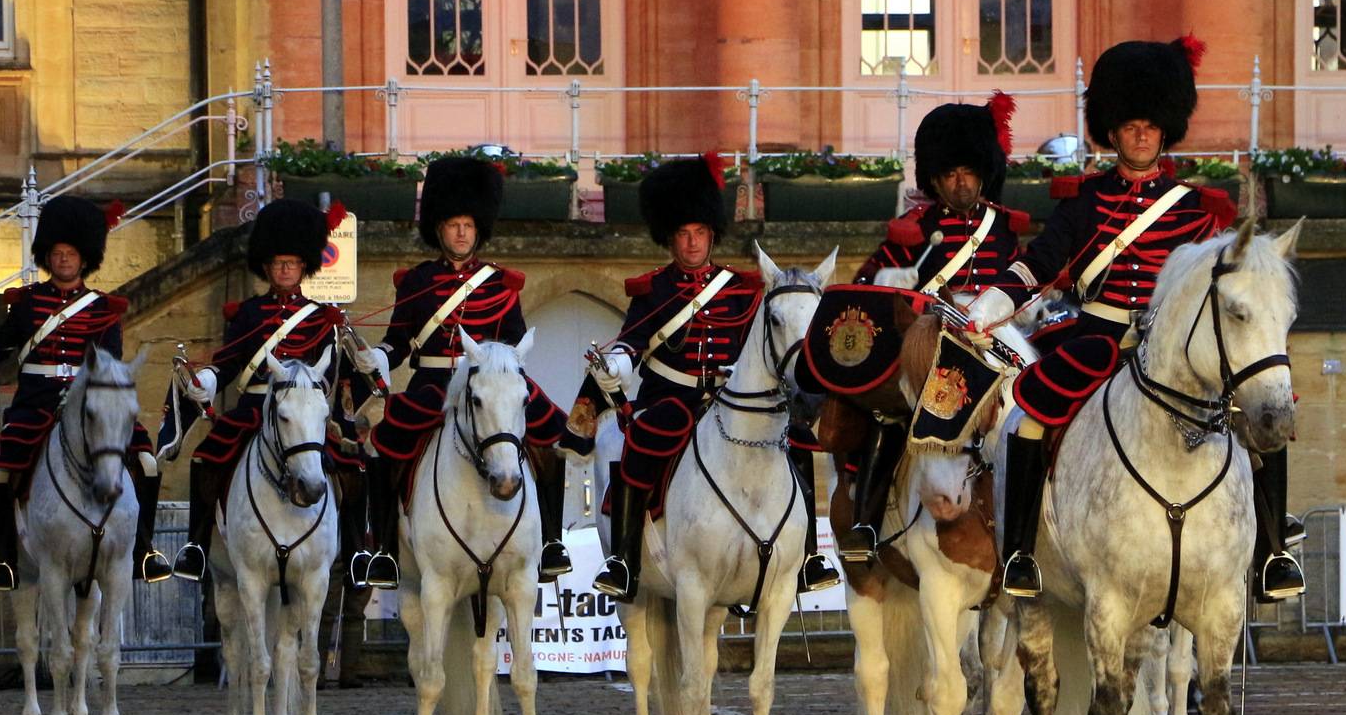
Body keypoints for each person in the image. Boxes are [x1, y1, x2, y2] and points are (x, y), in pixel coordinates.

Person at [966, 36, 1304, 602]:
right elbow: (1040, 264)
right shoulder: (1083, 202)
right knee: (1030, 413)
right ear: (1112, 132)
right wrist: (994, 303)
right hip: (1096, 337)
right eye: (1129, 126)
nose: (1141, 134)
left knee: (1268, 410)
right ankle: (1022, 552)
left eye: (1150, 124)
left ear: (1165, 130)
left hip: (1175, 346)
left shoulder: (1199, 210)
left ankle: (1272, 552)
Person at [586, 154, 838, 602]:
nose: (692, 243)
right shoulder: (653, 289)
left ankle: (808, 557)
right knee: (647, 434)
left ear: (711, 234)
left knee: (797, 438)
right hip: (670, 397)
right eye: (683, 234)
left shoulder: (739, 289)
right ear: (670, 238)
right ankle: (623, 559)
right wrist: (617, 365)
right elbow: (632, 340)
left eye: (699, 233)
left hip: (732, 398)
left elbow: (759, 346)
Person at [357, 156, 586, 587]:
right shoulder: (416, 281)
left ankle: (551, 543)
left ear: (478, 229)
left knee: (552, 440)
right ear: (439, 230)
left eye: (467, 225)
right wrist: (382, 358)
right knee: (384, 446)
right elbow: (398, 340)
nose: (461, 233)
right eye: (452, 225)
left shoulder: (501, 283)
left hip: (491, 384)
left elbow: (517, 345)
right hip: (433, 386)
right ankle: (384, 550)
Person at [834, 94, 1026, 569]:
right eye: (949, 174)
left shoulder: (1004, 230)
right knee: (892, 417)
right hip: (934, 353)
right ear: (935, 179)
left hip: (998, 350)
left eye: (968, 172)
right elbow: (868, 286)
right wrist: (893, 286)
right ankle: (867, 520)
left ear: (983, 173)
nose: (960, 183)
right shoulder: (914, 231)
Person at [0, 195, 168, 591]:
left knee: (146, 462)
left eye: (71, 253)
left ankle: (143, 550)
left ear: (84, 258)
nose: (63, 260)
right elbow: (3, 342)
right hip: (36, 402)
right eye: (57, 253)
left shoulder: (103, 309)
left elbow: (109, 361)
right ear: (48, 255)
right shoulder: (28, 303)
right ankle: (5, 560)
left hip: (88, 405)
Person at [170, 199, 354, 582]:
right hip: (254, 407)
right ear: (266, 267)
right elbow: (229, 360)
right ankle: (197, 547)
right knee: (207, 457)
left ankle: (359, 551)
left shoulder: (322, 317)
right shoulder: (249, 314)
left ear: (305, 266)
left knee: (356, 464)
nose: (285, 268)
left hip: (305, 413)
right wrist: (208, 380)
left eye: (292, 262)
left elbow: (333, 373)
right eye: (277, 262)